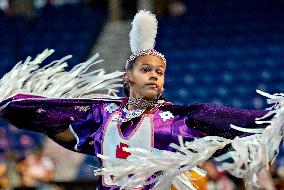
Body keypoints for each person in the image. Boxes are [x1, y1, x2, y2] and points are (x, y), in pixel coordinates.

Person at [0, 10, 282, 189]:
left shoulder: (175, 120)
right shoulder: (102, 115)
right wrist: (11, 105)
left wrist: (273, 116)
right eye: (146, 70)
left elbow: (227, 117)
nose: (154, 76)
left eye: (160, 72)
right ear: (128, 76)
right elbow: (49, 120)